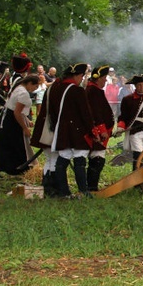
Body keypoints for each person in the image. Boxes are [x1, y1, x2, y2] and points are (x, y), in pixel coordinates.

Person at [49, 63, 97, 199]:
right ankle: (83, 190)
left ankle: (64, 192)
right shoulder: (77, 90)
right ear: (77, 75)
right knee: (80, 160)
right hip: (77, 130)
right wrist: (92, 130)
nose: (82, 79)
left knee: (62, 159)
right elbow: (85, 113)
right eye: (81, 76)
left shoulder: (56, 88)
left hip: (62, 129)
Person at [0, 74, 40, 178]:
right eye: (35, 86)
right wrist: (25, 128)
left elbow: (15, 108)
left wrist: (27, 120)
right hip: (12, 122)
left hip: (7, 118)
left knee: (6, 145)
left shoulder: (18, 88)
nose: (35, 89)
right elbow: (17, 113)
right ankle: (20, 169)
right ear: (30, 83)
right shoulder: (23, 93)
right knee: (18, 146)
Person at [115, 74, 143, 170]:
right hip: (134, 130)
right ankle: (136, 177)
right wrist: (120, 127)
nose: (142, 87)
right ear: (135, 86)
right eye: (139, 85)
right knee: (138, 154)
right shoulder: (127, 99)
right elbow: (123, 116)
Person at [85, 66, 115, 192]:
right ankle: (92, 187)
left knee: (96, 158)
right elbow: (96, 112)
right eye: (104, 78)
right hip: (98, 130)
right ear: (99, 78)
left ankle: (91, 186)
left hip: (99, 129)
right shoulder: (94, 91)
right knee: (97, 159)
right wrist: (102, 129)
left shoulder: (93, 89)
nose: (105, 81)